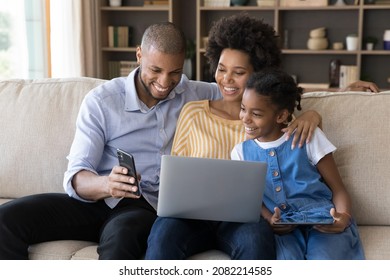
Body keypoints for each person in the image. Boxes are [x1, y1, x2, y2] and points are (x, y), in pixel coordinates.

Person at [0, 22, 223, 260]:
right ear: (139, 54)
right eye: (155, 70)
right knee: (7, 219)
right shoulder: (102, 101)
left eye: (175, 72)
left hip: (142, 206)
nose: (165, 82)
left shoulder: (195, 94)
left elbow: (243, 92)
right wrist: (107, 184)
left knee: (122, 235)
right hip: (96, 199)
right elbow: (77, 175)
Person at [145, 14, 323, 260]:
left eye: (238, 72)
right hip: (190, 217)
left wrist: (313, 115)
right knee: (162, 235)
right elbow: (177, 172)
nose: (226, 79)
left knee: (255, 242)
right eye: (221, 69)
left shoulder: (269, 120)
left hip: (245, 218)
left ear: (258, 74)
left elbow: (296, 125)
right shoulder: (193, 112)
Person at [231, 69, 365, 260]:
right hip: (283, 231)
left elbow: (338, 188)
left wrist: (343, 217)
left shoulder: (308, 137)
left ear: (281, 116)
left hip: (324, 220)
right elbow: (252, 199)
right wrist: (270, 219)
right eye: (243, 108)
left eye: (256, 114)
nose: (245, 118)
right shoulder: (240, 152)